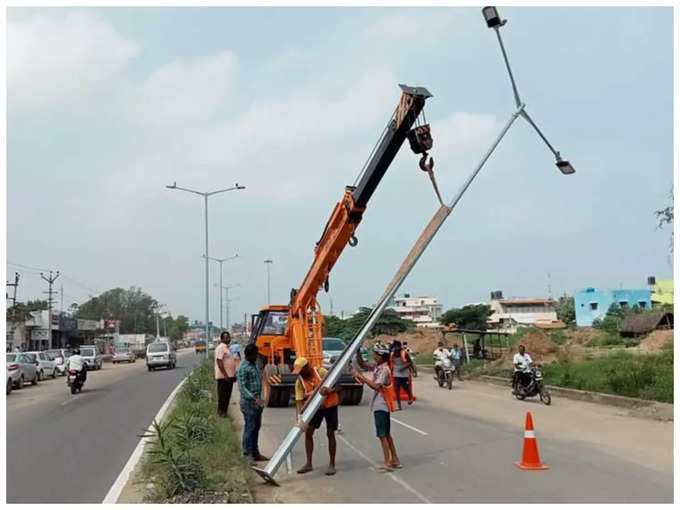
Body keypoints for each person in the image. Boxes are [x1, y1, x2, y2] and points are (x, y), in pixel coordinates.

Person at [352, 345, 401, 473]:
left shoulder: (384, 370)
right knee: (386, 434)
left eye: (376, 355)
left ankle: (387, 463)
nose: (374, 357)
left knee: (382, 435)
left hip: (382, 405)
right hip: (380, 404)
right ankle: (394, 459)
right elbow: (363, 364)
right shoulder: (378, 367)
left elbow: (375, 386)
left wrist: (361, 377)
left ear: (381, 356)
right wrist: (357, 350)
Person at [294, 357, 340, 476]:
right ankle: (309, 463)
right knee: (308, 432)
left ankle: (332, 464)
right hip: (316, 409)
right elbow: (299, 401)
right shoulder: (299, 381)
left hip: (330, 405)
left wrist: (330, 390)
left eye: (301, 371)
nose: (300, 374)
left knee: (330, 433)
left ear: (307, 367)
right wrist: (300, 418)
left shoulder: (321, 372)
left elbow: (338, 385)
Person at [236, 344, 268, 463]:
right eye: (254, 355)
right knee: (249, 428)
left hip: (258, 403)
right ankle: (247, 454)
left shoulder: (255, 365)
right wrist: (254, 398)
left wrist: (261, 398)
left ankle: (255, 452)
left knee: (256, 428)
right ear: (249, 355)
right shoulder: (243, 368)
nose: (256, 357)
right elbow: (242, 388)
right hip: (249, 404)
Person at [215, 332, 236, 417]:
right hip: (223, 377)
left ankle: (224, 413)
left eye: (229, 337)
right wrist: (225, 375)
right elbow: (219, 362)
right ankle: (220, 413)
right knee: (222, 396)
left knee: (227, 396)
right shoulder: (221, 348)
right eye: (226, 338)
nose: (228, 339)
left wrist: (233, 375)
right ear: (222, 339)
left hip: (229, 377)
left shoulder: (228, 348)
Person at [390, 340, 414, 409]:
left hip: (404, 373)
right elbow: (390, 363)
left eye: (398, 346)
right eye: (395, 347)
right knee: (396, 388)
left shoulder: (404, 353)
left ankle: (410, 397)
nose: (397, 348)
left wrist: (403, 368)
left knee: (406, 388)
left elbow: (410, 363)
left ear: (400, 346)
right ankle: (399, 405)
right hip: (396, 373)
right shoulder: (392, 354)